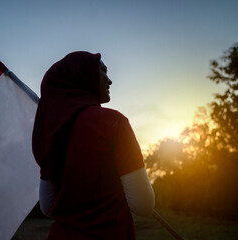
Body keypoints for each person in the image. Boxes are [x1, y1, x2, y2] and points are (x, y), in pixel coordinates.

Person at [32, 51, 155, 239]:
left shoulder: (50, 133)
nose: (110, 80)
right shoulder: (113, 123)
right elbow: (143, 205)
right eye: (103, 70)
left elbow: (48, 207)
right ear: (83, 75)